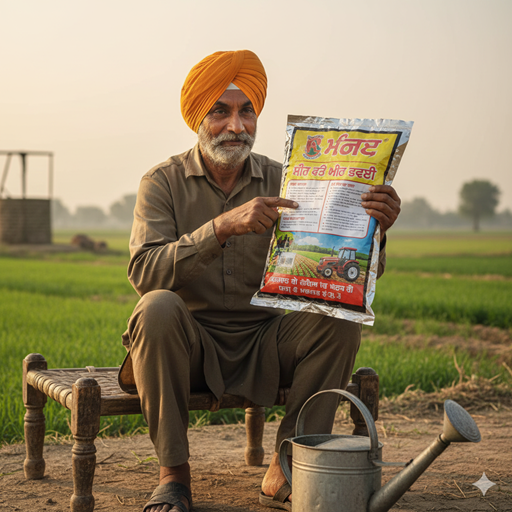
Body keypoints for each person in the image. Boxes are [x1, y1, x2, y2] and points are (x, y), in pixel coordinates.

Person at [119, 49, 401, 512]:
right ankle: (173, 476)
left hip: (271, 341)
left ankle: (288, 463)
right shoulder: (162, 182)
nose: (236, 125)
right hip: (190, 345)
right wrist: (221, 227)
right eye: (220, 111)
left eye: (246, 110)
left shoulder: (290, 176)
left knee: (339, 316)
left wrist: (374, 231)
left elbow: (341, 272)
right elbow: (144, 274)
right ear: (197, 118)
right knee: (156, 307)